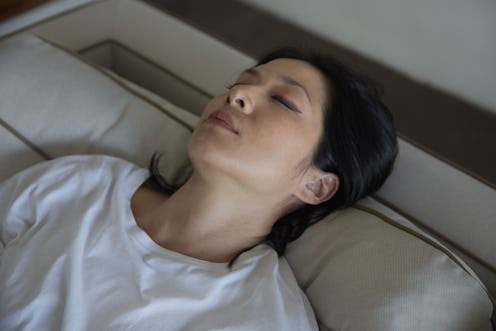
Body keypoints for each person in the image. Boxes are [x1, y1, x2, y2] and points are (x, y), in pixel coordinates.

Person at [0, 47, 397, 330]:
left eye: (283, 101)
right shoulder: (83, 183)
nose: (238, 95)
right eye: (240, 84)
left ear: (316, 184)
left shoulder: (263, 316)